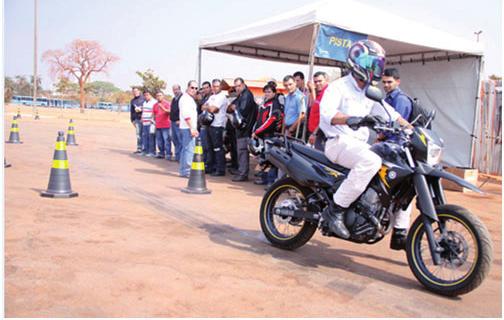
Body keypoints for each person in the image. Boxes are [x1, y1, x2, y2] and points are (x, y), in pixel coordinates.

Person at [319, 39, 411, 239]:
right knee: (372, 161)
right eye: (371, 64)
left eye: (377, 64)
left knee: (398, 165)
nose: (375, 68)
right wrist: (355, 119)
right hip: (338, 142)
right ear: (356, 62)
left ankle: (392, 225)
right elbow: (327, 115)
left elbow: (391, 114)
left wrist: (412, 128)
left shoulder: (370, 92)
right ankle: (335, 210)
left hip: (358, 145)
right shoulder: (338, 87)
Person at [382, 68, 414, 250]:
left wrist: (381, 136)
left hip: (396, 150)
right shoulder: (387, 99)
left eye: (390, 82)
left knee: (400, 192)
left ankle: (399, 232)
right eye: (384, 82)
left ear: (398, 82)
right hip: (390, 148)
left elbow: (395, 126)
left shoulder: (399, 100)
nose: (386, 85)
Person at [251, 83, 282, 185]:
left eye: (269, 92)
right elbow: (259, 119)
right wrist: (255, 130)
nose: (267, 94)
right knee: (264, 158)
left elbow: (271, 121)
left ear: (274, 92)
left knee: (271, 159)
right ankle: (264, 179)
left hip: (270, 135)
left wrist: (257, 131)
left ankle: (270, 181)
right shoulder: (265, 103)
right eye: (266, 92)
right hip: (263, 135)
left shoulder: (274, 104)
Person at [227, 77, 257, 182]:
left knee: (242, 152)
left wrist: (235, 107)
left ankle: (243, 173)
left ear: (243, 85)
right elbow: (229, 108)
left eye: (239, 86)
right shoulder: (241, 95)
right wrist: (233, 107)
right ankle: (241, 171)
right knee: (240, 152)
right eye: (235, 86)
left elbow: (242, 110)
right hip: (241, 129)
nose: (237, 88)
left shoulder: (247, 95)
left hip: (245, 129)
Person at [203, 79, 228, 176]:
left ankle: (220, 169)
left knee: (218, 148)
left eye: (217, 86)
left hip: (218, 125)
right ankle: (211, 167)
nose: (215, 88)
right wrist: (209, 107)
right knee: (210, 148)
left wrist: (209, 107)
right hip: (209, 125)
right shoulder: (212, 97)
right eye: (213, 86)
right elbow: (203, 106)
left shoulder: (222, 97)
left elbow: (213, 109)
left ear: (220, 87)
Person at [178, 81, 199, 178]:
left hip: (187, 127)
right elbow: (186, 115)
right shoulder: (185, 99)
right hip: (187, 127)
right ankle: (187, 171)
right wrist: (192, 128)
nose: (194, 90)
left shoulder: (188, 99)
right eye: (192, 87)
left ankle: (184, 170)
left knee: (185, 149)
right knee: (189, 150)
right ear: (187, 87)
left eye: (196, 88)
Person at [307, 71, 329, 151]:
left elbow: (325, 117)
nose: (317, 83)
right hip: (313, 131)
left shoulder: (328, 93)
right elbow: (312, 105)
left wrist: (314, 133)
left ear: (326, 80)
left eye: (320, 81)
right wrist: (312, 90)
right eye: (315, 81)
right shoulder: (319, 93)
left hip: (320, 133)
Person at [283, 75, 306, 139]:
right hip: (287, 129)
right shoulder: (287, 97)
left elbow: (302, 116)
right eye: (286, 85)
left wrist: (291, 129)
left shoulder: (300, 97)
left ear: (295, 83)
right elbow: (286, 114)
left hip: (295, 130)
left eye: (290, 84)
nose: (288, 87)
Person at [197, 81, 212, 169]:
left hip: (208, 124)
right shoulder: (204, 97)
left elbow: (206, 108)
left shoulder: (211, 97)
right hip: (202, 124)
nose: (205, 90)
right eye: (204, 88)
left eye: (207, 87)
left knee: (207, 146)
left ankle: (208, 164)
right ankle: (205, 162)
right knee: (203, 146)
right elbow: (201, 108)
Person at [153, 92, 172, 159]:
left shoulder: (167, 103)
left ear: (163, 96)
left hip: (166, 125)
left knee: (166, 140)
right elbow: (154, 114)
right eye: (157, 95)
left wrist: (163, 108)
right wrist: (154, 121)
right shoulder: (155, 105)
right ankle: (161, 153)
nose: (159, 97)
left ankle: (168, 154)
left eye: (160, 95)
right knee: (159, 141)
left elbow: (169, 112)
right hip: (158, 125)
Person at [140, 90, 157, 157]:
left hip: (151, 122)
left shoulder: (154, 102)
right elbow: (143, 111)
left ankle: (152, 152)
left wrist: (152, 120)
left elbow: (155, 112)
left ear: (151, 95)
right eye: (145, 95)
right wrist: (142, 118)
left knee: (151, 137)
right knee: (145, 137)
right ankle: (145, 151)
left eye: (147, 95)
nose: (146, 96)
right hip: (144, 122)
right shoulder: (144, 102)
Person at [130, 87, 145, 153]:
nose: (135, 92)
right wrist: (132, 120)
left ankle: (146, 149)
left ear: (139, 91)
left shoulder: (144, 99)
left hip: (144, 120)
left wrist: (141, 109)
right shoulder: (132, 101)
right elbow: (132, 111)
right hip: (137, 120)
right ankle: (139, 148)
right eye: (134, 91)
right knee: (138, 134)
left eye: (136, 91)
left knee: (145, 134)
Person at [170, 84, 183, 161]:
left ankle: (181, 157)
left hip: (179, 122)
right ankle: (177, 156)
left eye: (176, 89)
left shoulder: (182, 98)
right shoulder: (174, 99)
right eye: (173, 89)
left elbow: (183, 110)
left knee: (180, 140)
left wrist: (181, 120)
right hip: (172, 121)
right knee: (174, 140)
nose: (175, 91)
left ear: (179, 89)